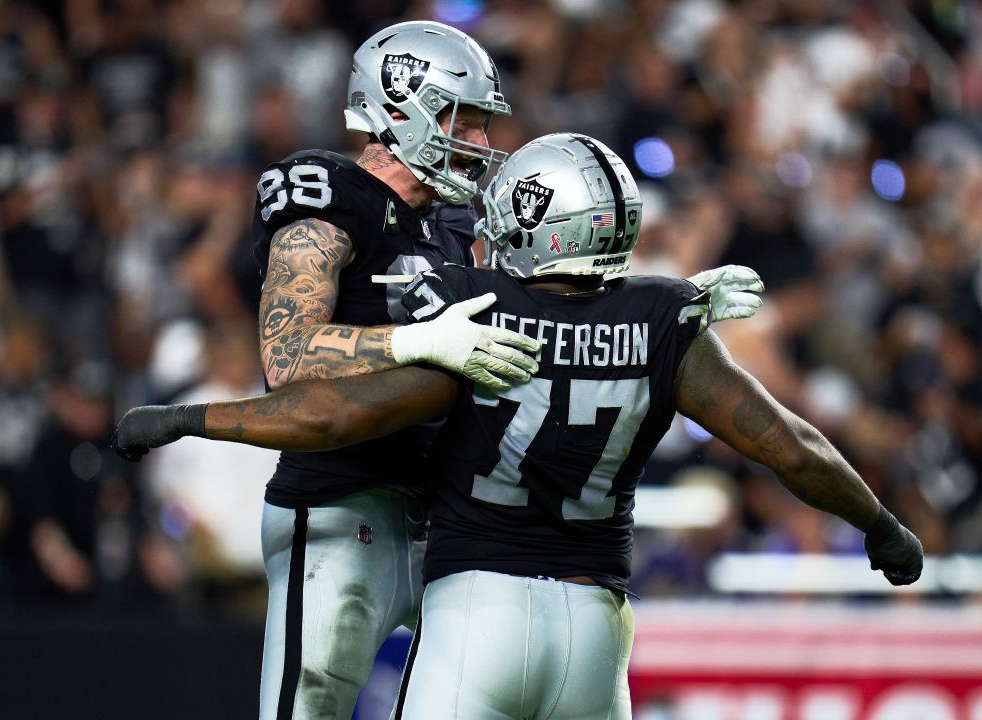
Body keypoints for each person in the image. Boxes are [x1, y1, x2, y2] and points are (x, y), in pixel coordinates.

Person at [115, 133, 923, 719]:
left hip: (480, 613)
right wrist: (880, 524)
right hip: (599, 626)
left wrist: (196, 417)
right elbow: (789, 445)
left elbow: (336, 412)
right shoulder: (666, 320)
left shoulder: (481, 314)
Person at [239, 20, 764, 720]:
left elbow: (560, 325)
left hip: (455, 522)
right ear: (399, 106)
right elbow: (287, 356)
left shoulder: (469, 221)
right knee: (307, 707)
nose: (481, 144)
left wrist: (664, 307)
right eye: (467, 121)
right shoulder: (326, 194)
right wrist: (420, 344)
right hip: (344, 504)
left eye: (486, 125)